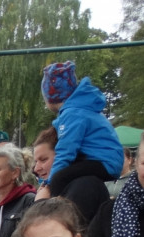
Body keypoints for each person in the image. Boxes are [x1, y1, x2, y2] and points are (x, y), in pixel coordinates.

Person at [36, 62, 124, 201]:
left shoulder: (72, 114)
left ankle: (53, 208)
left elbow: (65, 151)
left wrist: (49, 183)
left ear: (50, 96)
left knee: (60, 177)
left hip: (104, 162)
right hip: (106, 160)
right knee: (68, 172)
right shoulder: (81, 109)